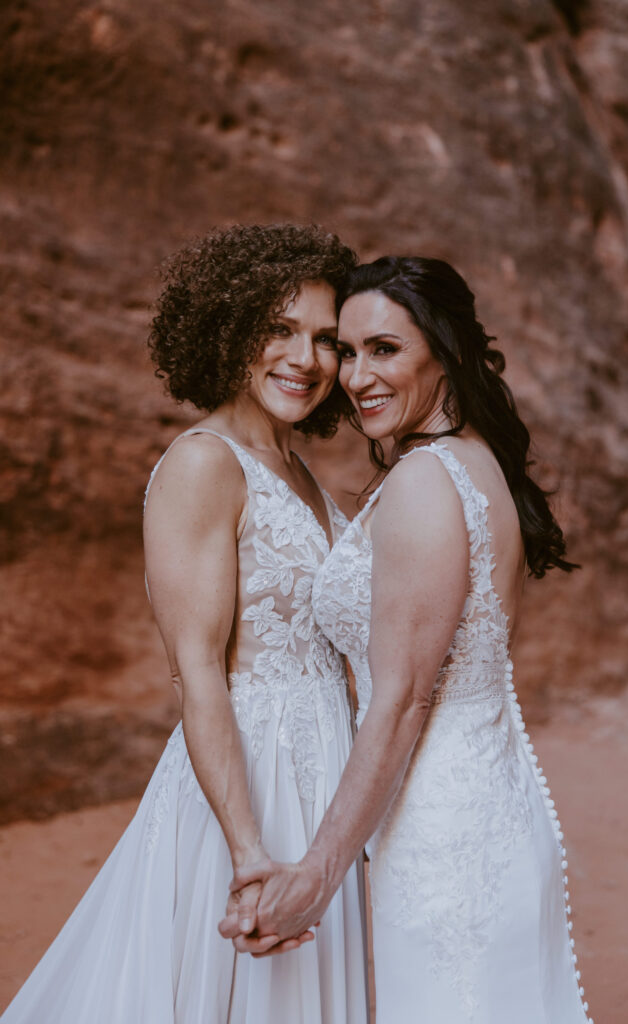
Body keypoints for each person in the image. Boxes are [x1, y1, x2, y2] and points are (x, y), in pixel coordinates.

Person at [2, 225, 368, 1024]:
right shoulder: (205, 464)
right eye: (278, 329)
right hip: (250, 782)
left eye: (324, 339)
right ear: (227, 328)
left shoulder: (299, 470)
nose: (303, 359)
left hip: (324, 763)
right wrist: (246, 850)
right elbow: (196, 669)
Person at [223, 256, 595, 1024]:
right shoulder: (469, 463)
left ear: (445, 349)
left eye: (383, 349)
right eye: (348, 352)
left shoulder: (428, 480)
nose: (355, 377)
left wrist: (315, 878)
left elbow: (399, 700)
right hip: (474, 803)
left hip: (444, 836)